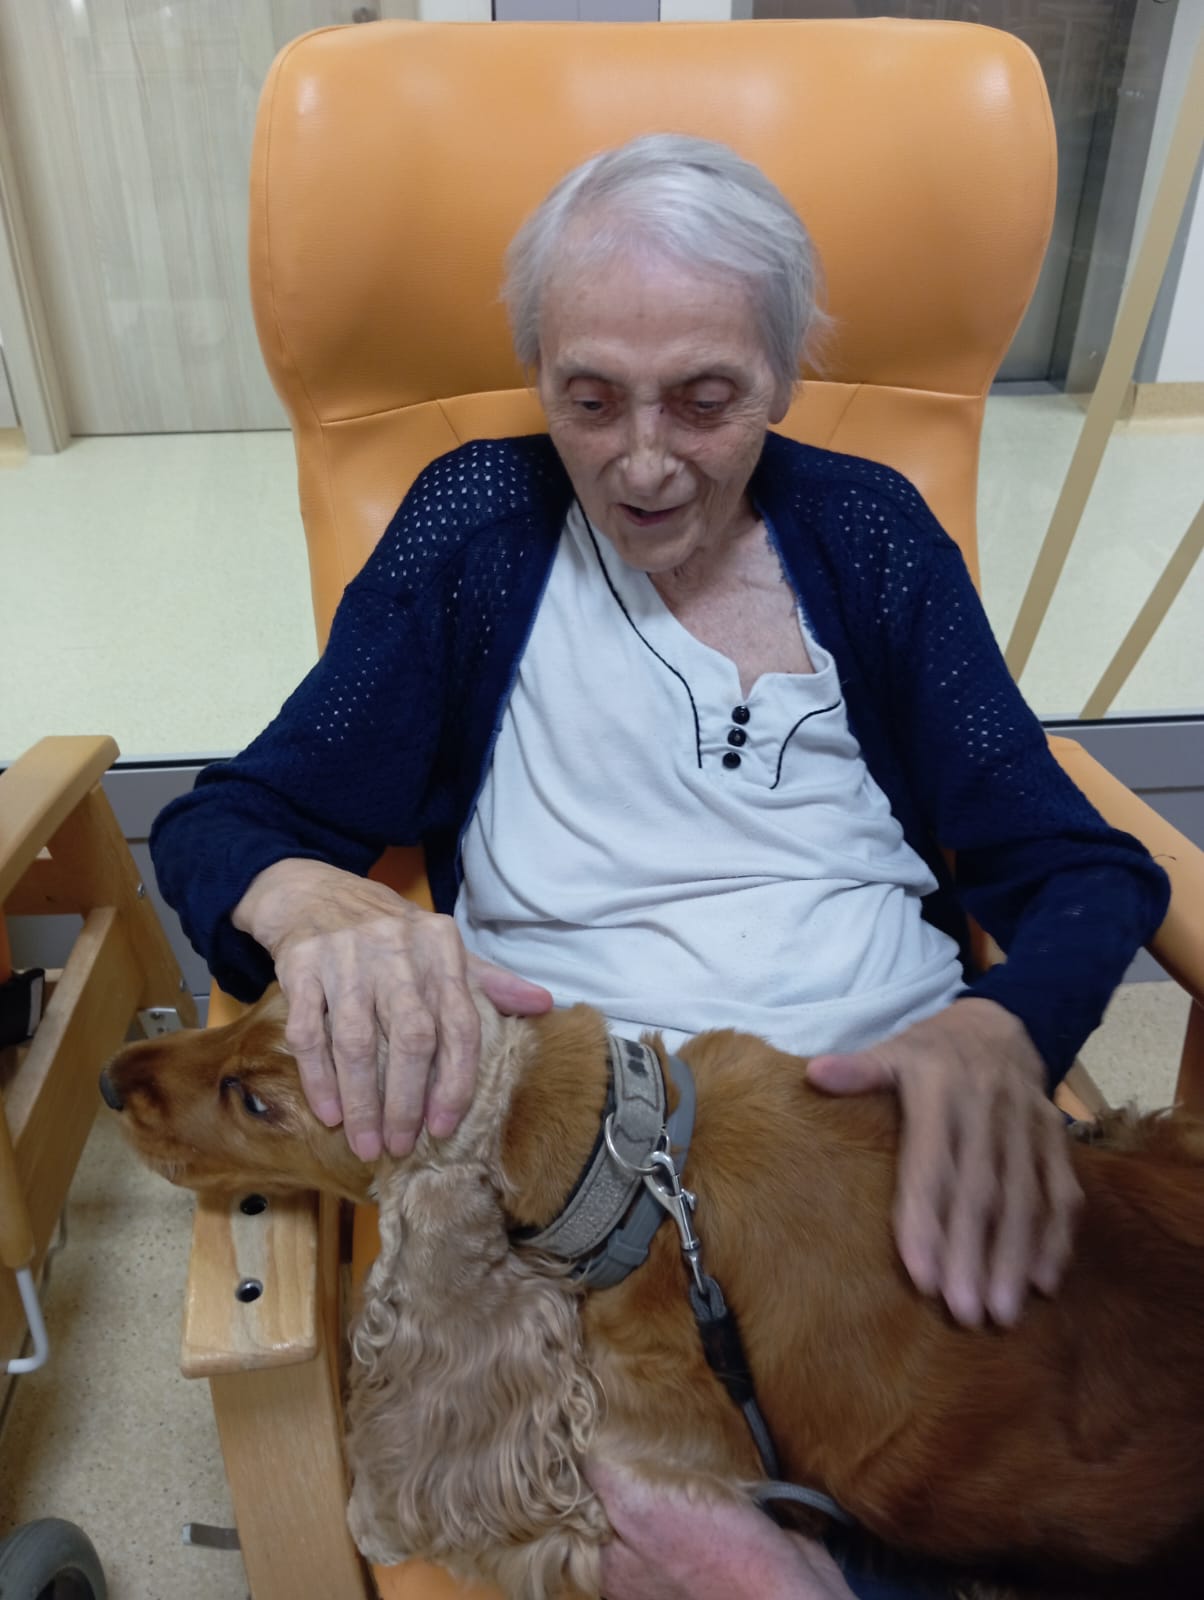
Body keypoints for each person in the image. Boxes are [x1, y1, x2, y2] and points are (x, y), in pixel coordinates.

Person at [151, 135, 1168, 1599]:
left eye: (704, 399)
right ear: (537, 371)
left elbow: (1074, 865)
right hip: (599, 1204)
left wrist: (1008, 1028)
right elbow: (228, 820)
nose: (640, 461)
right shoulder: (476, 531)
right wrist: (304, 897)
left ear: (786, 375)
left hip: (881, 1164)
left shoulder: (870, 535)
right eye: (589, 398)